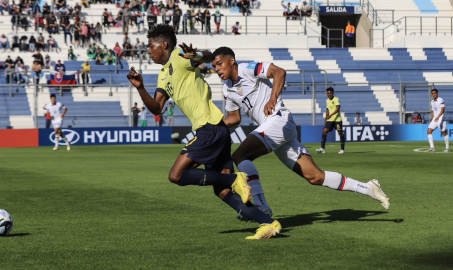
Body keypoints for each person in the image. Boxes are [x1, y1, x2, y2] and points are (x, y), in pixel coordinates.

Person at [210, 46, 391, 222]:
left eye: (219, 64)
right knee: (315, 177)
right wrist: (212, 128)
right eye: (214, 67)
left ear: (231, 60)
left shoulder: (247, 69)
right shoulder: (227, 89)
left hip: (279, 119)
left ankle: (262, 206)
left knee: (241, 155)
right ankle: (368, 188)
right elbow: (234, 118)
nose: (217, 69)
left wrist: (273, 99)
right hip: (275, 130)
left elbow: (279, 72)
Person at [126, 24, 273, 240]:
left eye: (151, 45)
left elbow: (208, 56)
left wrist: (197, 55)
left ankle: (235, 179)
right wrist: (140, 88)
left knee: (176, 175)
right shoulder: (163, 75)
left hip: (209, 128)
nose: (148, 50)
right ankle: (268, 222)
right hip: (216, 129)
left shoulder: (178, 55)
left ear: (164, 45)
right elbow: (157, 108)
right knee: (221, 191)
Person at [316, 87, 346, 154]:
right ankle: (323, 148)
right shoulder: (327, 101)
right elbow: (327, 110)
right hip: (330, 120)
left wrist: (331, 115)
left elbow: (338, 109)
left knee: (340, 133)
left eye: (330, 93)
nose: (329, 94)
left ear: (333, 93)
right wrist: (326, 119)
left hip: (337, 120)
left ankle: (342, 149)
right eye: (327, 93)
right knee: (324, 131)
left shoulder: (336, 99)